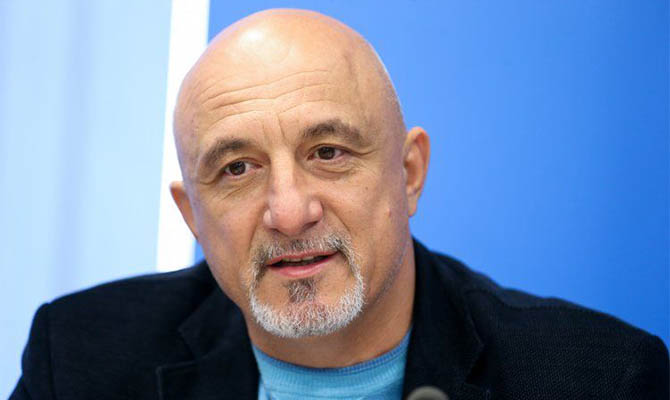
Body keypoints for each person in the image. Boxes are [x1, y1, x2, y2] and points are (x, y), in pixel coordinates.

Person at [11, 9, 668, 400]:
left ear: (409, 174)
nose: (289, 212)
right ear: (193, 217)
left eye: (328, 152)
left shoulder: (598, 379)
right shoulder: (81, 359)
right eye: (237, 169)